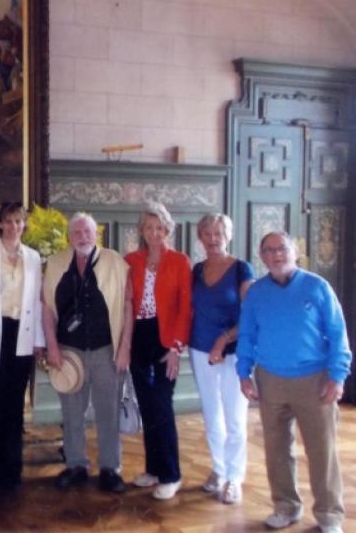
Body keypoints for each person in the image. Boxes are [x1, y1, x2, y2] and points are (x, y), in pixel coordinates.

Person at [237, 232, 351, 532]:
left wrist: (337, 377)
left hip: (314, 381)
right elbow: (247, 335)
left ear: (294, 250)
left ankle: (329, 516)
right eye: (269, 250)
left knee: (321, 451)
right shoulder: (257, 293)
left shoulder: (317, 287)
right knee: (276, 449)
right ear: (262, 256)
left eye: (282, 249)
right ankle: (286, 507)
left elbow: (339, 334)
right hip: (270, 379)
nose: (276, 255)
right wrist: (243, 373)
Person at [42, 212, 131, 494]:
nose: (83, 236)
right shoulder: (56, 264)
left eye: (88, 232)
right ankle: (76, 465)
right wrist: (52, 347)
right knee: (71, 412)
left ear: (97, 235)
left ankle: (109, 468)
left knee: (108, 411)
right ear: (70, 237)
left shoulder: (115, 262)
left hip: (107, 349)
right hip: (69, 352)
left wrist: (125, 347)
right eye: (77, 232)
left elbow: (128, 306)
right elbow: (46, 308)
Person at [0, 202, 44, 497]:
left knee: (15, 408)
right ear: (0, 224)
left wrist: (39, 341)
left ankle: (11, 471)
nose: (14, 226)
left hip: (21, 338)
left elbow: (37, 303)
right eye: (9, 221)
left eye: (19, 221)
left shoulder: (34, 258)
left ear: (24, 224)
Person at [124, 202, 191, 500]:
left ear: (167, 230)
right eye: (148, 227)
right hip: (139, 335)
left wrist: (176, 348)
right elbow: (126, 303)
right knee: (146, 404)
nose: (154, 233)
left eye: (159, 228)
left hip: (166, 339)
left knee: (162, 404)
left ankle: (171, 474)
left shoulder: (179, 261)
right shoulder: (131, 260)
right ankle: (153, 469)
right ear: (142, 230)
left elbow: (185, 307)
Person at [189, 213, 254, 505]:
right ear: (200, 238)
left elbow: (251, 315)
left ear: (228, 236)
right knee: (211, 413)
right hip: (200, 349)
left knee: (235, 418)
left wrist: (224, 339)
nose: (213, 239)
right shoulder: (197, 269)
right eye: (207, 234)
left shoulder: (241, 269)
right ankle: (218, 469)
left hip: (233, 352)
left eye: (218, 234)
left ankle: (234, 478)